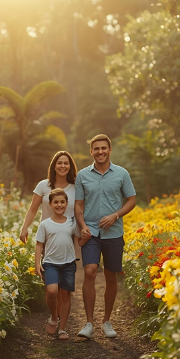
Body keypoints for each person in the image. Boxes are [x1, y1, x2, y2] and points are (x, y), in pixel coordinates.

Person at [74, 134, 136, 339]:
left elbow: (132, 200)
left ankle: (106, 321)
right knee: (90, 271)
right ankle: (89, 323)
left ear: (110, 149)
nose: (100, 152)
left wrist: (115, 215)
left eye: (104, 148)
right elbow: (79, 205)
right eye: (96, 149)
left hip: (114, 232)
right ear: (91, 151)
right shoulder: (82, 176)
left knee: (111, 276)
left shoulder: (121, 174)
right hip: (91, 232)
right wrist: (82, 225)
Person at [35, 189, 89, 340]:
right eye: (56, 202)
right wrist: (37, 263)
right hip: (50, 263)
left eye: (62, 202)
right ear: (50, 204)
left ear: (66, 204)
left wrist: (86, 237)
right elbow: (39, 245)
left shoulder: (72, 222)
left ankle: (63, 329)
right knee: (52, 291)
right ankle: (54, 317)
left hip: (68, 264)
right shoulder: (45, 225)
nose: (59, 205)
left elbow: (79, 241)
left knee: (65, 295)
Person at [19, 151, 77, 243]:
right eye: (59, 163)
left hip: (70, 238)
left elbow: (81, 211)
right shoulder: (43, 185)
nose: (63, 166)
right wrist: (24, 228)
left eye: (66, 163)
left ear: (70, 167)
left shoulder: (76, 187)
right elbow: (32, 210)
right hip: (48, 237)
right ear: (54, 166)